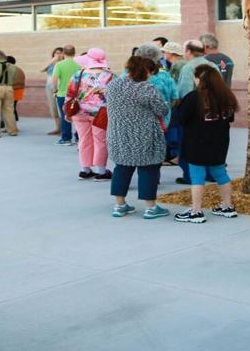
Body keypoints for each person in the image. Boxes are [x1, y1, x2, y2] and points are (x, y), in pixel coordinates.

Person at [104, 53, 171, 220]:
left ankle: (120, 206)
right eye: (151, 72)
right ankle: (151, 207)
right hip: (144, 135)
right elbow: (162, 110)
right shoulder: (146, 88)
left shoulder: (113, 85)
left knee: (121, 168)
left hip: (118, 134)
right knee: (148, 169)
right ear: (146, 71)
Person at [174, 67, 240, 222]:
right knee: (221, 173)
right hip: (220, 142)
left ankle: (196, 211)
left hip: (197, 143)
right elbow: (230, 119)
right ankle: (227, 206)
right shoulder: (226, 97)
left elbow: (180, 119)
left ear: (200, 79)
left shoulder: (193, 97)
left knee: (197, 176)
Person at [66, 48, 114, 180]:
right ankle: (101, 171)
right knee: (100, 141)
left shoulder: (78, 74)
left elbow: (70, 93)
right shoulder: (109, 75)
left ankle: (85, 170)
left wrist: (68, 112)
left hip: (79, 112)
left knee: (83, 140)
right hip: (100, 113)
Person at [52, 44, 79, 145]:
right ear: (74, 53)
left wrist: (55, 91)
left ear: (63, 53)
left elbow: (54, 80)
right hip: (77, 95)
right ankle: (79, 137)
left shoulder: (59, 65)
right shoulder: (79, 64)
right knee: (79, 116)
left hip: (62, 94)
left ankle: (66, 139)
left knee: (65, 116)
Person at [43, 47, 65, 135]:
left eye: (60, 53)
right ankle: (58, 128)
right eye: (56, 53)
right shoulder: (51, 64)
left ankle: (64, 129)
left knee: (61, 109)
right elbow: (42, 69)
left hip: (60, 88)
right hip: (49, 88)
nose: (58, 55)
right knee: (53, 108)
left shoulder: (63, 64)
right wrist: (52, 61)